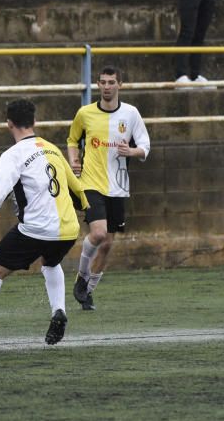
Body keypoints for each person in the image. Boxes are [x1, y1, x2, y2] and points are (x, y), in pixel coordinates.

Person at [0, 99, 88, 351]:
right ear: (34, 122)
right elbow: (76, 187)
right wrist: (86, 209)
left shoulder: (12, 156)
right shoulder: (52, 149)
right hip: (68, 229)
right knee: (51, 261)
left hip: (35, 229)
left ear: (8, 124)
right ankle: (58, 310)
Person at [67, 66, 150, 311]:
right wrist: (73, 160)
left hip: (118, 187)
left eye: (111, 82)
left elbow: (145, 146)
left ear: (120, 85)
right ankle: (82, 276)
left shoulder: (131, 114)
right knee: (99, 233)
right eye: (102, 82)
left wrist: (131, 151)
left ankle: (88, 293)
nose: (106, 86)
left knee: (106, 245)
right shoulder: (85, 113)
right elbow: (72, 139)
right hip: (91, 183)